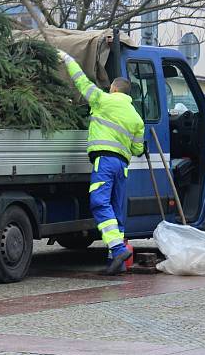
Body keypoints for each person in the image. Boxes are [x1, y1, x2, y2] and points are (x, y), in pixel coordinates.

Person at [58, 50, 145, 275]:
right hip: (121, 166)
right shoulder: (137, 118)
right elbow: (138, 149)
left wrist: (67, 59)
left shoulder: (103, 101)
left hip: (104, 161)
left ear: (114, 89)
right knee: (117, 210)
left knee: (99, 203)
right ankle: (116, 262)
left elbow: (81, 81)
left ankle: (117, 249)